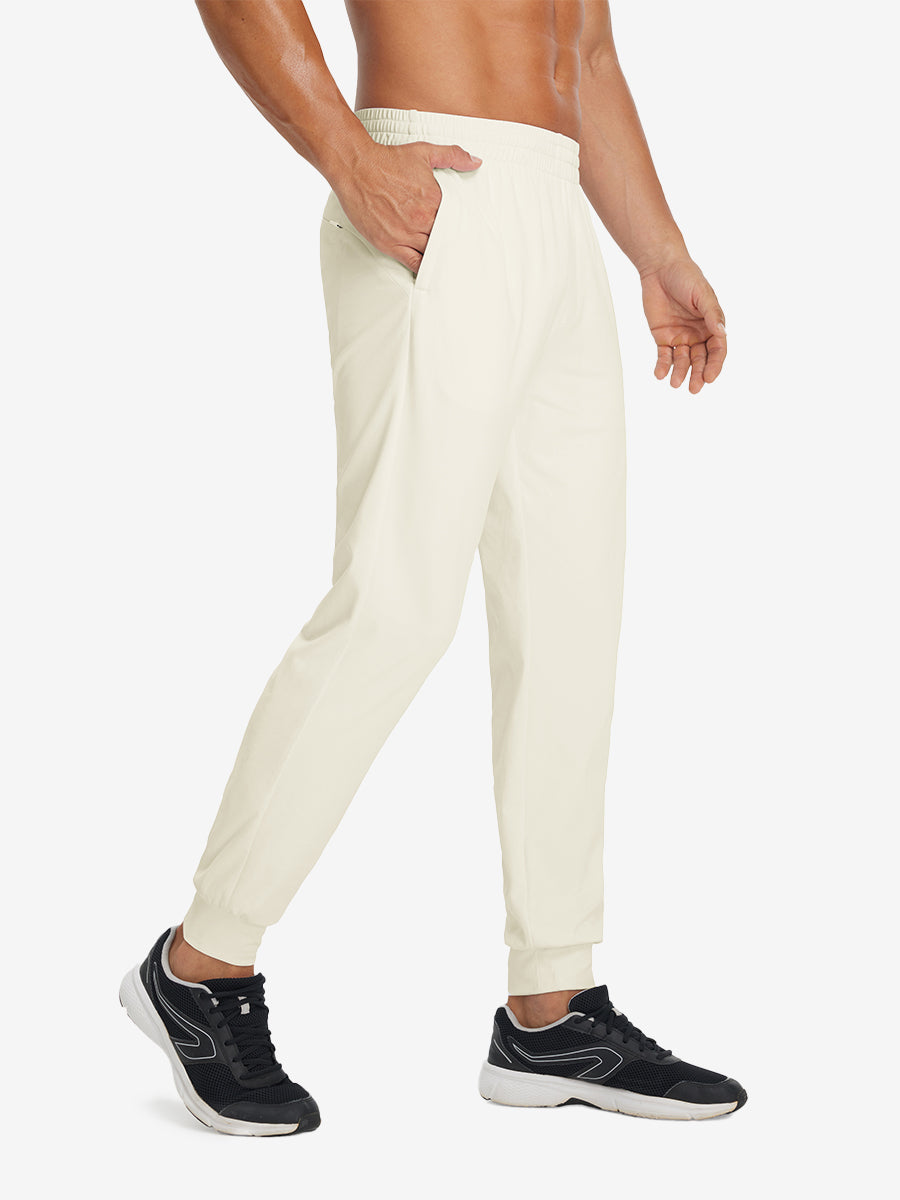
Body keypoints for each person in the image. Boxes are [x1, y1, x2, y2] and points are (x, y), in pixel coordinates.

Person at [119, 0, 745, 1136]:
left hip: (558, 209)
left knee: (569, 619)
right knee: (395, 608)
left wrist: (658, 251)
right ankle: (201, 965)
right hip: (431, 188)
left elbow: (586, 49)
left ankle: (553, 1006)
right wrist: (347, 155)